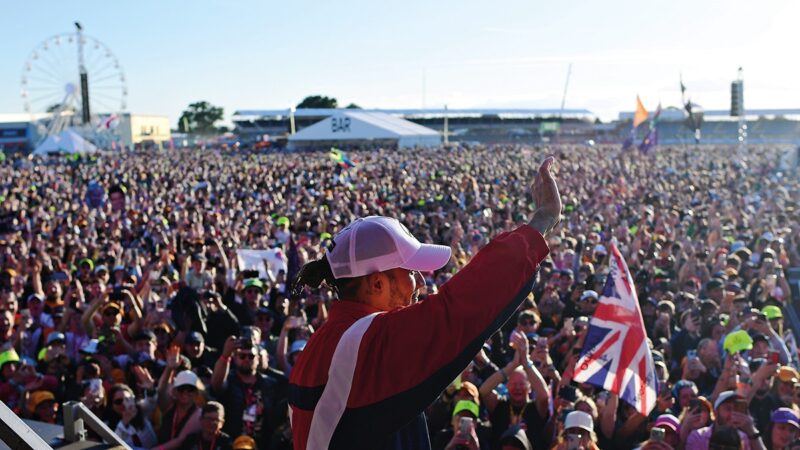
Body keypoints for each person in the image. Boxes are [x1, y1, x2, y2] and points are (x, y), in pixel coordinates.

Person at [288, 157, 561, 449]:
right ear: (376, 283)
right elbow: (457, 309)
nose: (421, 282)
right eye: (410, 272)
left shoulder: (326, 342)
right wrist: (543, 220)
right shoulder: (365, 342)